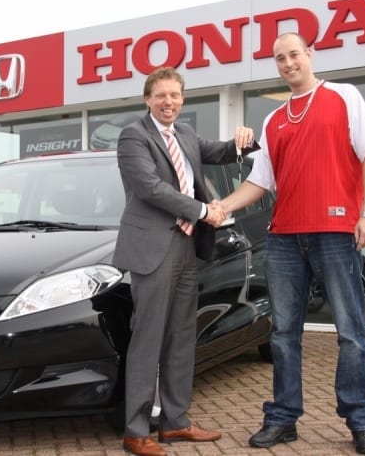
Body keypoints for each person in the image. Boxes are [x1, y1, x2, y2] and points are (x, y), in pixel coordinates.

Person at [219, 32, 365, 455]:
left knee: (350, 331)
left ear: (309, 55)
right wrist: (221, 207)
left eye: (294, 54)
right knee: (282, 333)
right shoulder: (274, 119)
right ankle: (283, 417)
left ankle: (360, 420)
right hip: (285, 239)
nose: (288, 62)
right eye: (280, 58)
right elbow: (259, 182)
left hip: (335, 233)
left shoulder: (344, 97)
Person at [113, 66, 258, 456]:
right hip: (153, 249)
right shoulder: (133, 136)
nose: (169, 102)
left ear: (182, 99)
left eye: (175, 95)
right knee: (147, 340)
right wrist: (203, 210)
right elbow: (150, 188)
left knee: (181, 337)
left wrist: (243, 141)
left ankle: (175, 422)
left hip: (186, 246)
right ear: (148, 99)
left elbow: (221, 152)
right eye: (161, 95)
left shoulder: (186, 135)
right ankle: (136, 431)